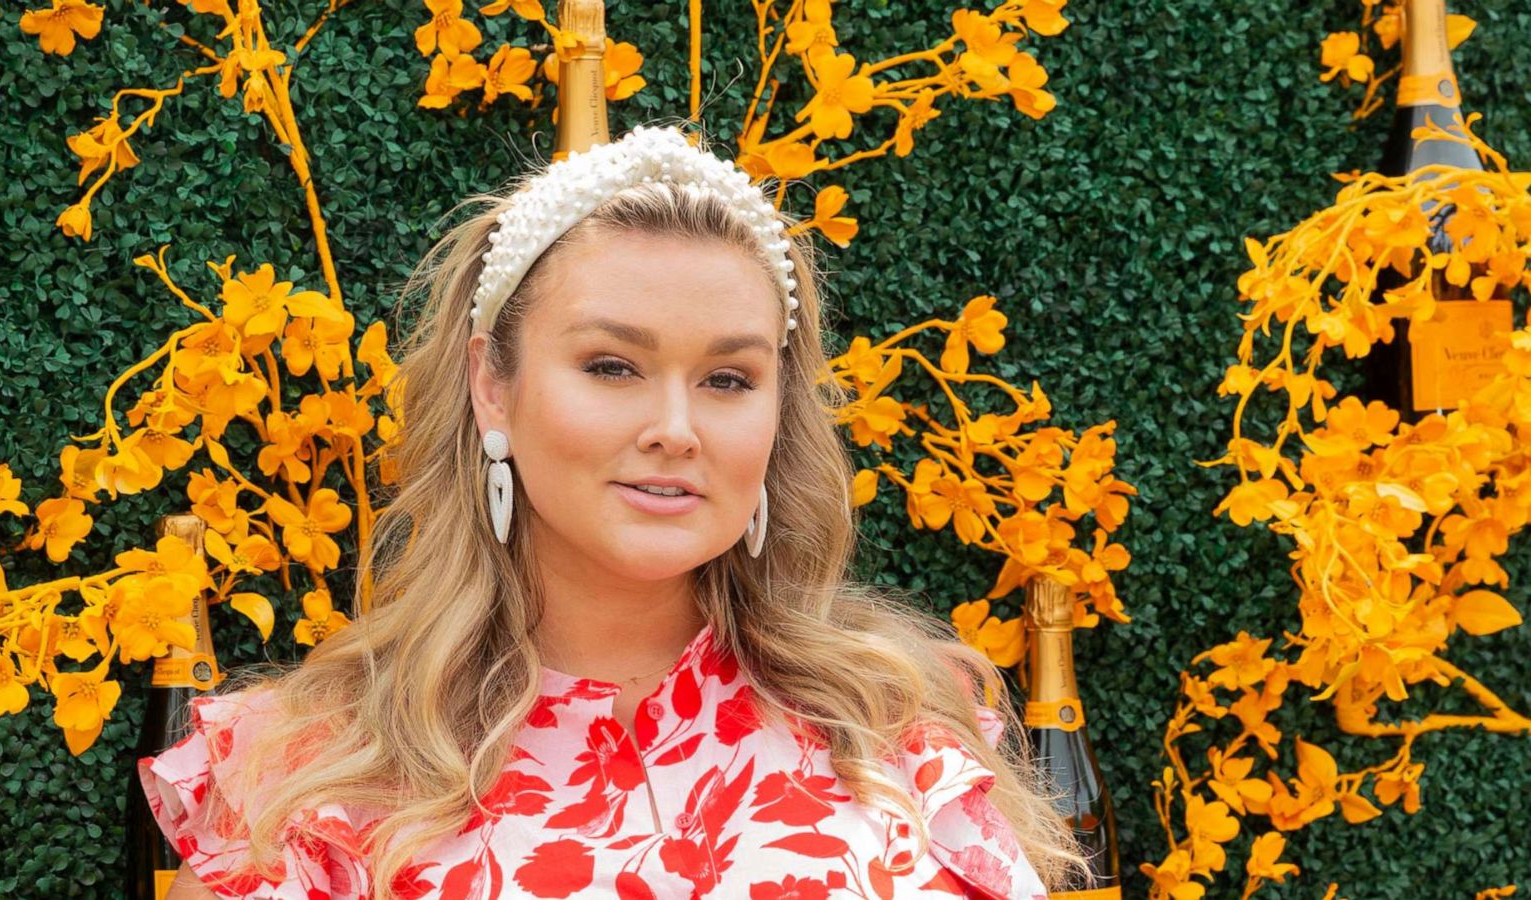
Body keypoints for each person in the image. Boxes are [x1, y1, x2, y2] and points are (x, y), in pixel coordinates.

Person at [139, 122, 1089, 899]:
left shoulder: (901, 729)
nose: (675, 428)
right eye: (611, 367)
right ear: (492, 387)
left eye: (727, 378)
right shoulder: (307, 778)